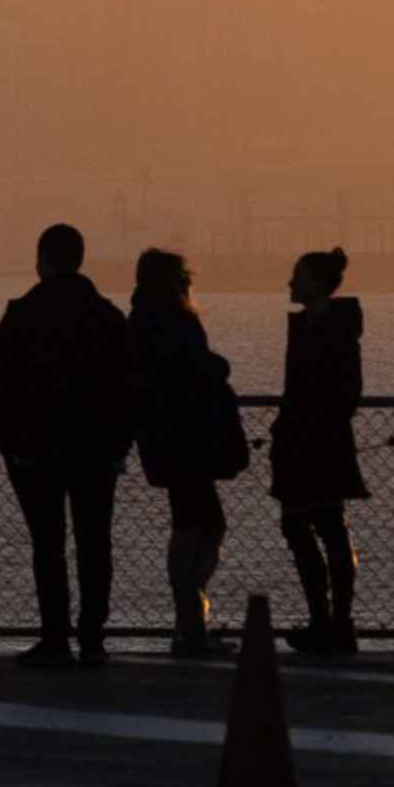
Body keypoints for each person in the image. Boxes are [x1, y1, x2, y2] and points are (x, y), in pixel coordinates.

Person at [0, 225, 140, 665]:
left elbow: (5, 386)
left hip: (34, 453)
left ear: (44, 257)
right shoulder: (107, 317)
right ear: (79, 257)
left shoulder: (20, 315)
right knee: (95, 543)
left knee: (48, 546)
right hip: (96, 452)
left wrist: (9, 443)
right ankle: (93, 637)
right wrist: (119, 442)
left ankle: (54, 636)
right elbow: (131, 385)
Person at [130, 248, 245, 656]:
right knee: (198, 524)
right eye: (180, 274)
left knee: (203, 524)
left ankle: (191, 616)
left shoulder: (153, 316)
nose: (187, 279)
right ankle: (190, 618)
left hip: (182, 435)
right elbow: (186, 365)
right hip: (181, 436)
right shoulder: (160, 319)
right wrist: (218, 368)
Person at [268, 249, 366, 655]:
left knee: (324, 525)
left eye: (298, 276)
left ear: (318, 283)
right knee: (309, 525)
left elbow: (347, 391)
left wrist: (311, 422)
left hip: (319, 440)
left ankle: (334, 621)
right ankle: (326, 619)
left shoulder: (332, 327)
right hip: (299, 439)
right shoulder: (310, 324)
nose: (290, 283)